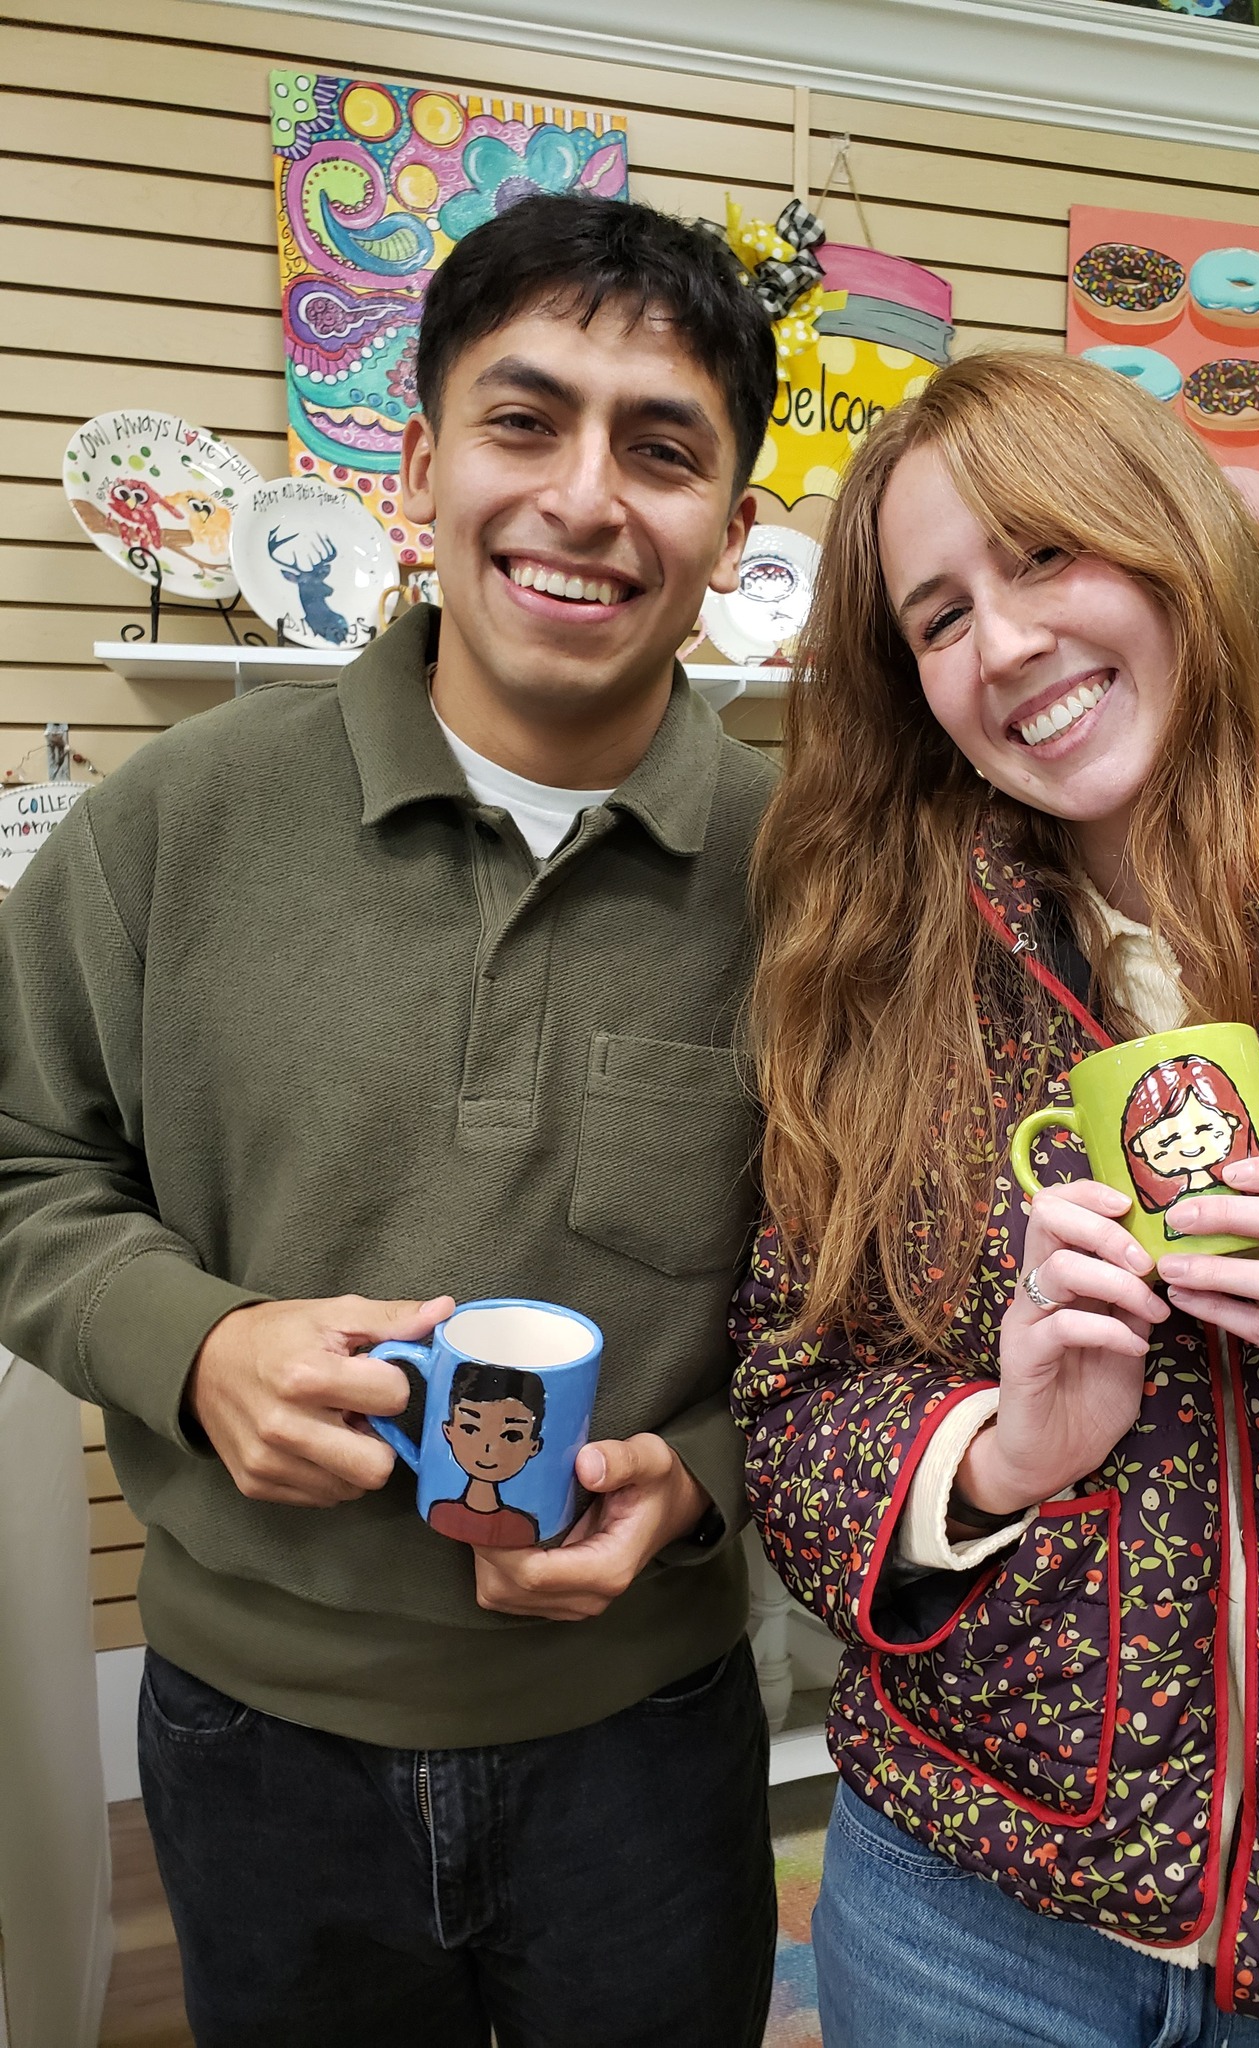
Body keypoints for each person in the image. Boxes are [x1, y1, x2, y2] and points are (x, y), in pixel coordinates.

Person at [0, 195, 779, 2048]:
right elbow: (25, 1159)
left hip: (648, 1744)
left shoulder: (815, 886)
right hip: (253, 1738)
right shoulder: (171, 825)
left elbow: (882, 1295)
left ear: (732, 538)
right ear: (420, 476)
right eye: (524, 421)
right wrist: (195, 1348)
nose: (585, 498)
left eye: (661, 450)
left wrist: (706, 1473)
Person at [732, 350, 1259, 2045]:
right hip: (971, 1908)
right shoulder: (886, 990)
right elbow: (792, 1401)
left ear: (1176, 545)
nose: (1004, 642)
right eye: (939, 617)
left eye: (1045, 554)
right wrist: (995, 1454)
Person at [428, 1361, 545, 1548]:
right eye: (470, 1428)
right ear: (448, 1431)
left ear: (534, 1446)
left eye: (511, 1435)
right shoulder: (440, 1513)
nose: (489, 1447)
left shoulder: (522, 1527)